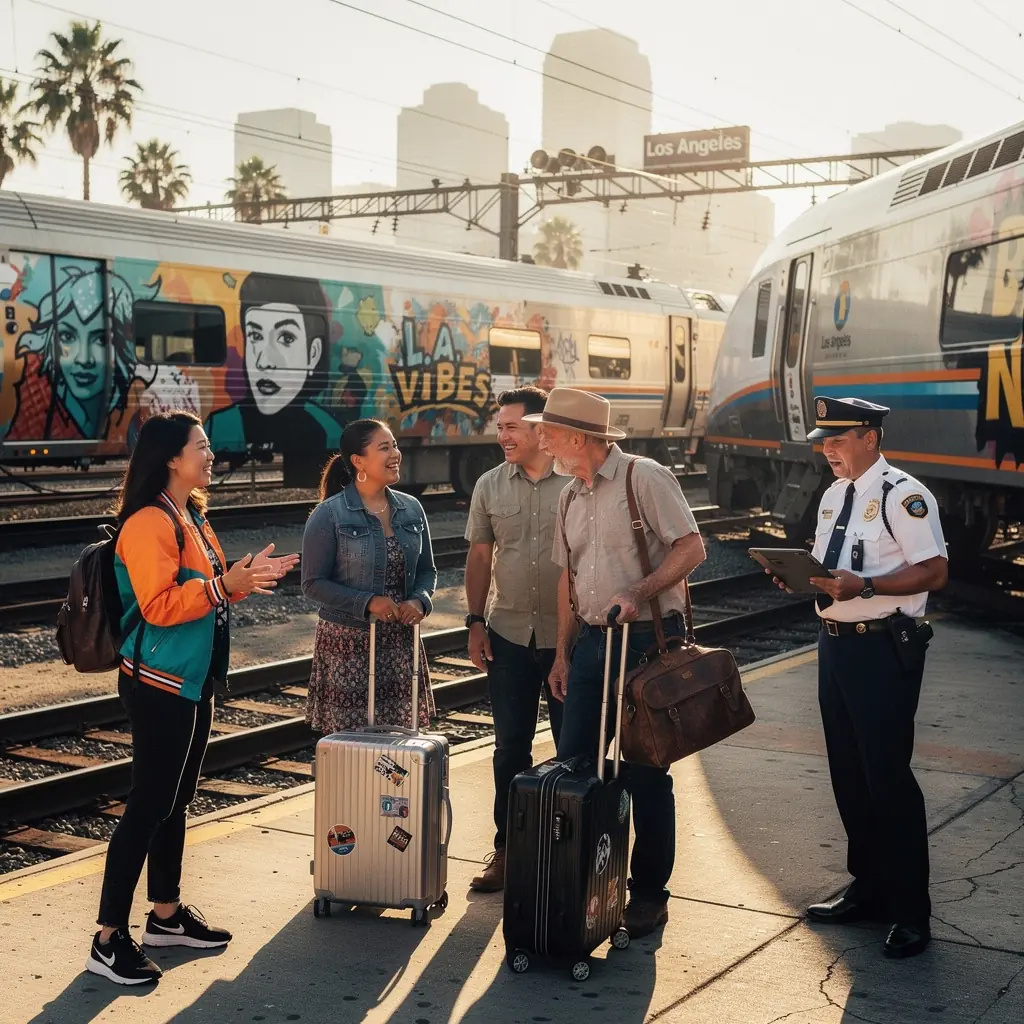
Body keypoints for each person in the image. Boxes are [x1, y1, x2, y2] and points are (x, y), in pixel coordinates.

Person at [87, 411, 298, 986]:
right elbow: (160, 604)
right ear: (171, 458)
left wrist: (243, 576)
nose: (211, 452)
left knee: (175, 800)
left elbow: (206, 589)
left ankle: (165, 915)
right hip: (157, 681)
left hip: (192, 677)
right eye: (201, 446)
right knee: (148, 804)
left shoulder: (193, 514)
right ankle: (107, 938)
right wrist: (223, 585)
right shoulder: (149, 522)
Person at [524, 387, 706, 938]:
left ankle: (649, 893)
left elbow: (692, 547)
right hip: (590, 647)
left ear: (578, 438)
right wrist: (561, 652)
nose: (542, 439)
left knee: (645, 773)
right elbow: (569, 579)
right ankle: (580, 881)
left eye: (549, 432)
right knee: (573, 765)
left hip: (647, 642)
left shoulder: (643, 477)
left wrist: (638, 590)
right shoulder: (569, 495)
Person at [771, 396, 948, 959]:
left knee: (887, 778)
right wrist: (805, 580)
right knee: (849, 774)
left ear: (870, 438)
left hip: (881, 650)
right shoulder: (832, 496)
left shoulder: (904, 495)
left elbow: (935, 571)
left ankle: (909, 911)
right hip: (836, 647)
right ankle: (867, 889)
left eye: (838, 439)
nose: (827, 449)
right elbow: (834, 569)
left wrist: (865, 588)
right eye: (823, 440)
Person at [464, 386, 566, 892]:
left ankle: (571, 852)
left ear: (540, 430)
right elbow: (481, 556)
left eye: (511, 426)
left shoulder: (576, 479)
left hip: (572, 636)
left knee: (575, 751)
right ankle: (508, 851)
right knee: (510, 750)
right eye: (499, 426)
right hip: (507, 633)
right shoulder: (489, 484)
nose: (501, 434)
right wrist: (474, 620)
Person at [301, 418, 437, 734]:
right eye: (384, 447)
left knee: (398, 747)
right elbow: (312, 583)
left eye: (395, 446)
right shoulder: (330, 513)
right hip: (348, 647)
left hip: (400, 644)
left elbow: (428, 571)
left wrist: (420, 600)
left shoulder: (412, 509)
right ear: (358, 461)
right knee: (352, 750)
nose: (396, 454)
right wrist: (368, 602)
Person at [205, 273, 342, 456]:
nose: (264, 362)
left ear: (314, 353)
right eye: (255, 336)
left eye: (286, 338)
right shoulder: (216, 427)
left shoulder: (328, 427)